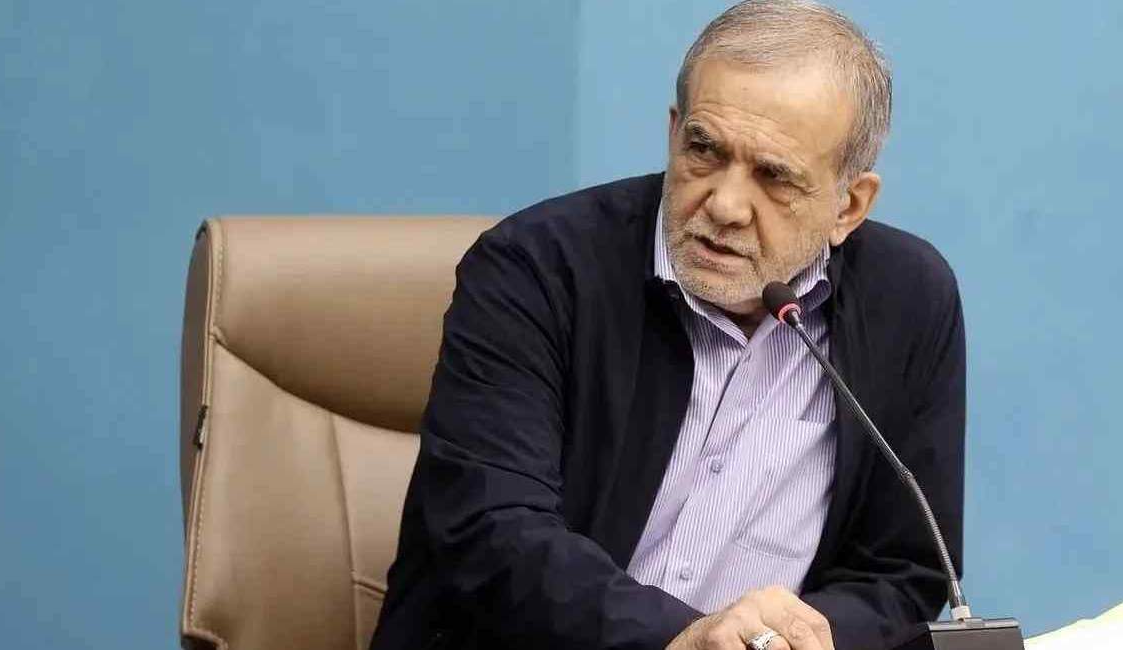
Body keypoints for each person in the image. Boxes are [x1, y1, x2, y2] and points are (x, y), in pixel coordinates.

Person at [371, 1, 965, 649]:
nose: (726, 205)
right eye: (704, 150)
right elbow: (491, 533)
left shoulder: (908, 301)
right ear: (674, 130)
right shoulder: (536, 269)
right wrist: (680, 639)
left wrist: (798, 639)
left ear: (849, 205)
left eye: (774, 177)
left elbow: (902, 570)